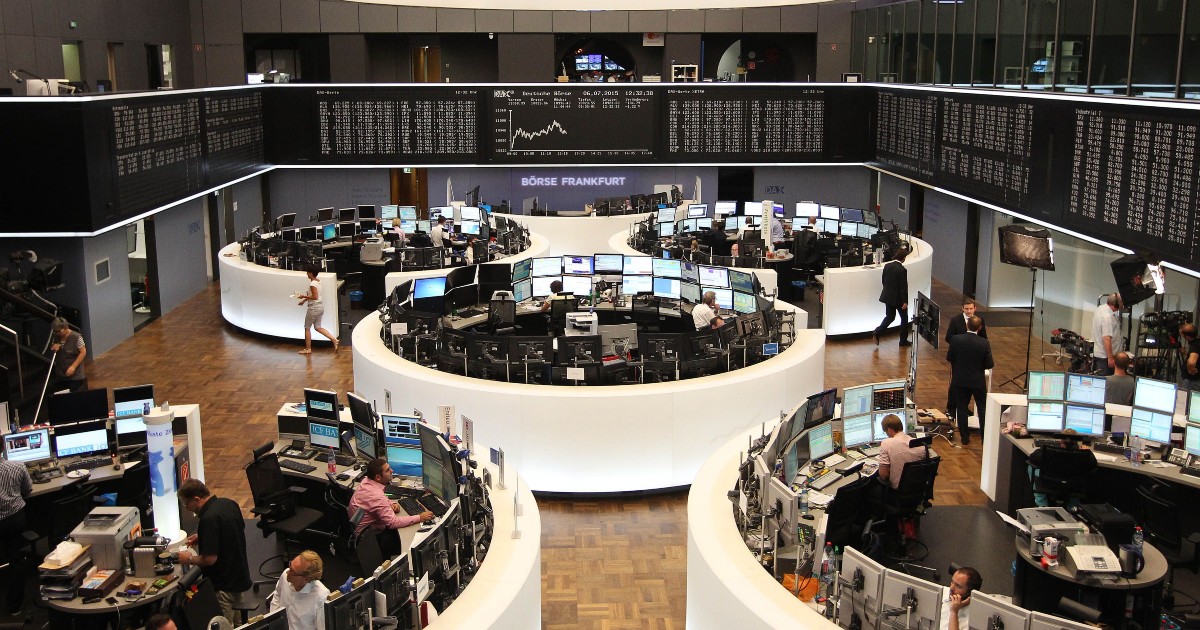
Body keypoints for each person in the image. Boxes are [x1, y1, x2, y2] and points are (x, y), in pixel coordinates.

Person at [177, 478, 252, 624]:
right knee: (239, 624)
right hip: (239, 576)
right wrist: (204, 536)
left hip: (223, 586)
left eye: (187, 504)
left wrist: (188, 558)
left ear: (196, 499)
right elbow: (233, 530)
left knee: (223, 625)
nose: (187, 508)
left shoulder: (208, 519)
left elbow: (209, 559)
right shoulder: (228, 503)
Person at [348, 458, 434, 536]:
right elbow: (393, 523)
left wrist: (391, 503)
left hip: (358, 530)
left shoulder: (366, 481)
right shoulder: (376, 496)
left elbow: (376, 500)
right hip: (369, 537)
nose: (392, 471)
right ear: (378, 477)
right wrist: (420, 517)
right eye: (387, 470)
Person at [947, 316, 994, 445]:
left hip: (960, 380)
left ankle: (964, 438)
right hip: (977, 381)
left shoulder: (956, 339)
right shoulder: (984, 343)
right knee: (983, 409)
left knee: (961, 408)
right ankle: (984, 438)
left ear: (967, 325)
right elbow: (989, 364)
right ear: (980, 328)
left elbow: (949, 358)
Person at [0, 451, 33, 616]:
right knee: (16, 560)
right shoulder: (18, 466)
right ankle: (15, 606)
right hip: (15, 519)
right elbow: (28, 490)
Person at [268, 550, 330, 630]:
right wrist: (273, 620)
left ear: (306, 578)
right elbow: (277, 594)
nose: (288, 572)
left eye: (293, 572)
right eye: (290, 565)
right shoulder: (285, 575)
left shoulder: (321, 597)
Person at [945, 299, 987, 414]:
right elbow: (948, 337)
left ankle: (963, 407)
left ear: (975, 308)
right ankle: (951, 407)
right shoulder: (955, 320)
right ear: (962, 308)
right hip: (959, 357)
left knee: (968, 385)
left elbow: (984, 338)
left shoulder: (980, 320)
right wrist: (959, 346)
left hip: (974, 358)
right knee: (955, 382)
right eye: (966, 309)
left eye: (971, 309)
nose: (969, 311)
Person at [875, 414, 927, 490]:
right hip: (918, 488)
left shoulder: (886, 443)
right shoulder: (920, 444)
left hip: (897, 490)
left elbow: (883, 476)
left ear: (889, 430)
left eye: (885, 432)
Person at [296, 266, 338, 354]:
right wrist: (304, 301)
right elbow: (313, 295)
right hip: (320, 307)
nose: (307, 274)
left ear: (311, 273)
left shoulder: (312, 284)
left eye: (308, 272)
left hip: (313, 309)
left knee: (307, 328)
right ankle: (334, 340)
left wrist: (303, 296)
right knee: (318, 327)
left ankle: (308, 349)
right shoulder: (319, 281)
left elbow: (315, 296)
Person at [873, 249, 911, 346]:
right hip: (898, 299)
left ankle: (878, 331)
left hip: (888, 297)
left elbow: (883, 281)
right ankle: (903, 341)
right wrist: (905, 302)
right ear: (903, 258)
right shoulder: (902, 270)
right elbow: (903, 288)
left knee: (890, 317)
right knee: (904, 319)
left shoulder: (887, 265)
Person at [49, 317, 87, 392]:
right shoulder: (56, 336)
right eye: (55, 331)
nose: (58, 333)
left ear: (66, 327)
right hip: (61, 373)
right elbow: (53, 347)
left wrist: (73, 366)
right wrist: (53, 348)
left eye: (59, 331)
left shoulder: (76, 337)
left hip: (75, 375)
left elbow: (83, 352)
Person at [1092, 293, 1123, 376]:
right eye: (1121, 302)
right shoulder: (1107, 317)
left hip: (1101, 355)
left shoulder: (1100, 309)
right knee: (1106, 381)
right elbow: (1106, 338)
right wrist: (1110, 358)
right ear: (1116, 304)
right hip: (1105, 358)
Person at [1179, 324, 1200, 391]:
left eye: (1182, 335)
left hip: (1192, 382)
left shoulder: (1195, 345)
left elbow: (1191, 362)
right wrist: (1185, 353)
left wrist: (1189, 369)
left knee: (1184, 397)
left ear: (1187, 336)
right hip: (1195, 381)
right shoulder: (1197, 342)